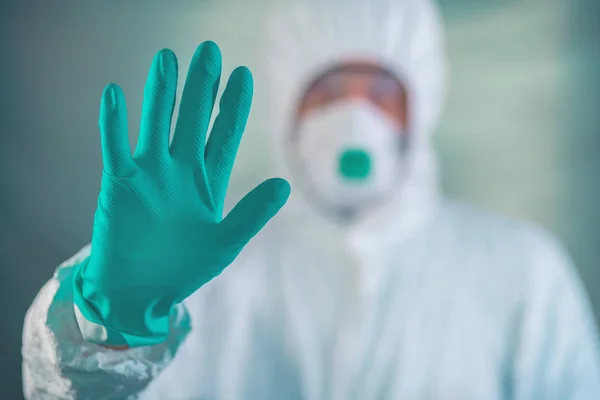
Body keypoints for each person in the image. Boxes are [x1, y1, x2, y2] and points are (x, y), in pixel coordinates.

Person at [22, 0, 600, 399]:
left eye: (381, 90)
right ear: (286, 105)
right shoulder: (208, 278)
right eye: (327, 90)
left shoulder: (521, 271)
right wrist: (114, 323)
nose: (355, 118)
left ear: (422, 104)